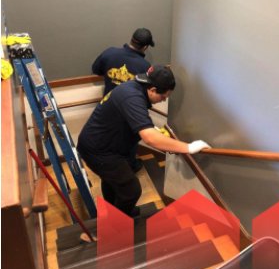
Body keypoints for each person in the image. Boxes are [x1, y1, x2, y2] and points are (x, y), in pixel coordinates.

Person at [77, 65, 209, 218]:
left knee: (113, 182)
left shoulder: (134, 87)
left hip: (104, 144)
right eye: (163, 96)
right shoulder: (132, 97)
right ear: (152, 89)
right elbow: (150, 138)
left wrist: (152, 128)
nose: (164, 100)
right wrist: (189, 148)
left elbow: (133, 118)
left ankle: (115, 212)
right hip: (99, 150)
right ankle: (115, 225)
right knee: (131, 190)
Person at [91, 28, 155, 171]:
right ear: (146, 46)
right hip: (130, 111)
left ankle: (111, 167)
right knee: (129, 142)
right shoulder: (145, 67)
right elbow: (146, 93)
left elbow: (96, 69)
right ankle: (130, 167)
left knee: (109, 140)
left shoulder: (109, 53)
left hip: (108, 107)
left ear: (131, 39)